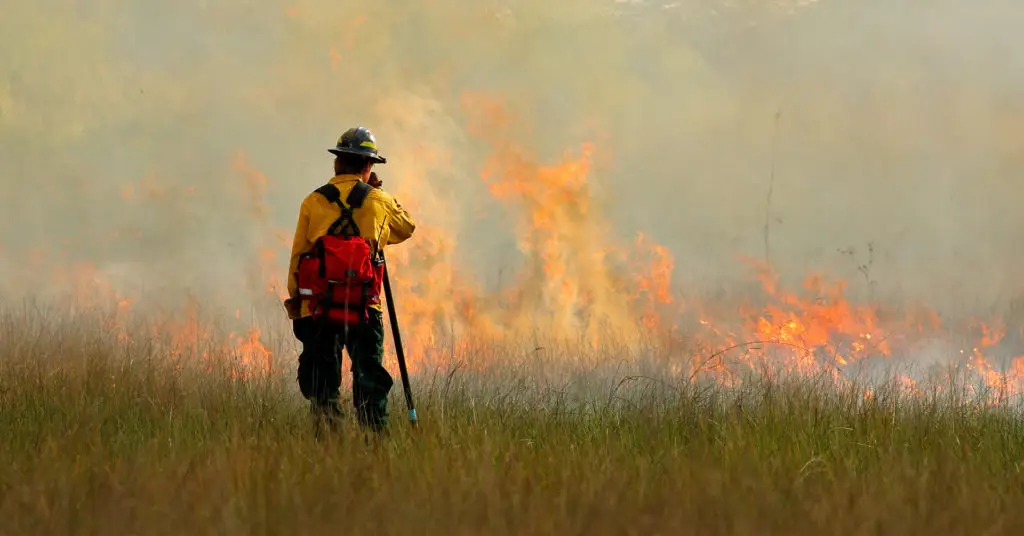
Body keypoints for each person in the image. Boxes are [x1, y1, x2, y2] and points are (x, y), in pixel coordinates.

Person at [284, 126, 416, 433]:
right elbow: (406, 227)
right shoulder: (378, 200)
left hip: (319, 308)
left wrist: (298, 306)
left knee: (322, 381)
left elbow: (298, 257)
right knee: (369, 377)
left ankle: (329, 443)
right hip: (365, 308)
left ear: (337, 162)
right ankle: (375, 442)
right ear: (368, 166)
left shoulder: (313, 201)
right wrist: (376, 197)